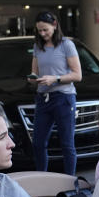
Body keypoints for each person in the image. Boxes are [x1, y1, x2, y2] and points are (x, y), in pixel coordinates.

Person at [30, 10, 82, 174]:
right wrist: (32, 79)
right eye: (39, 30)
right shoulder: (38, 46)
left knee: (67, 144)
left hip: (63, 97)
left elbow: (77, 75)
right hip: (43, 97)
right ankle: (42, 177)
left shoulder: (66, 45)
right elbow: (35, 72)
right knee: (38, 143)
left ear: (54, 25)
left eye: (45, 29)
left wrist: (56, 79)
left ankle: (69, 182)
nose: (42, 33)